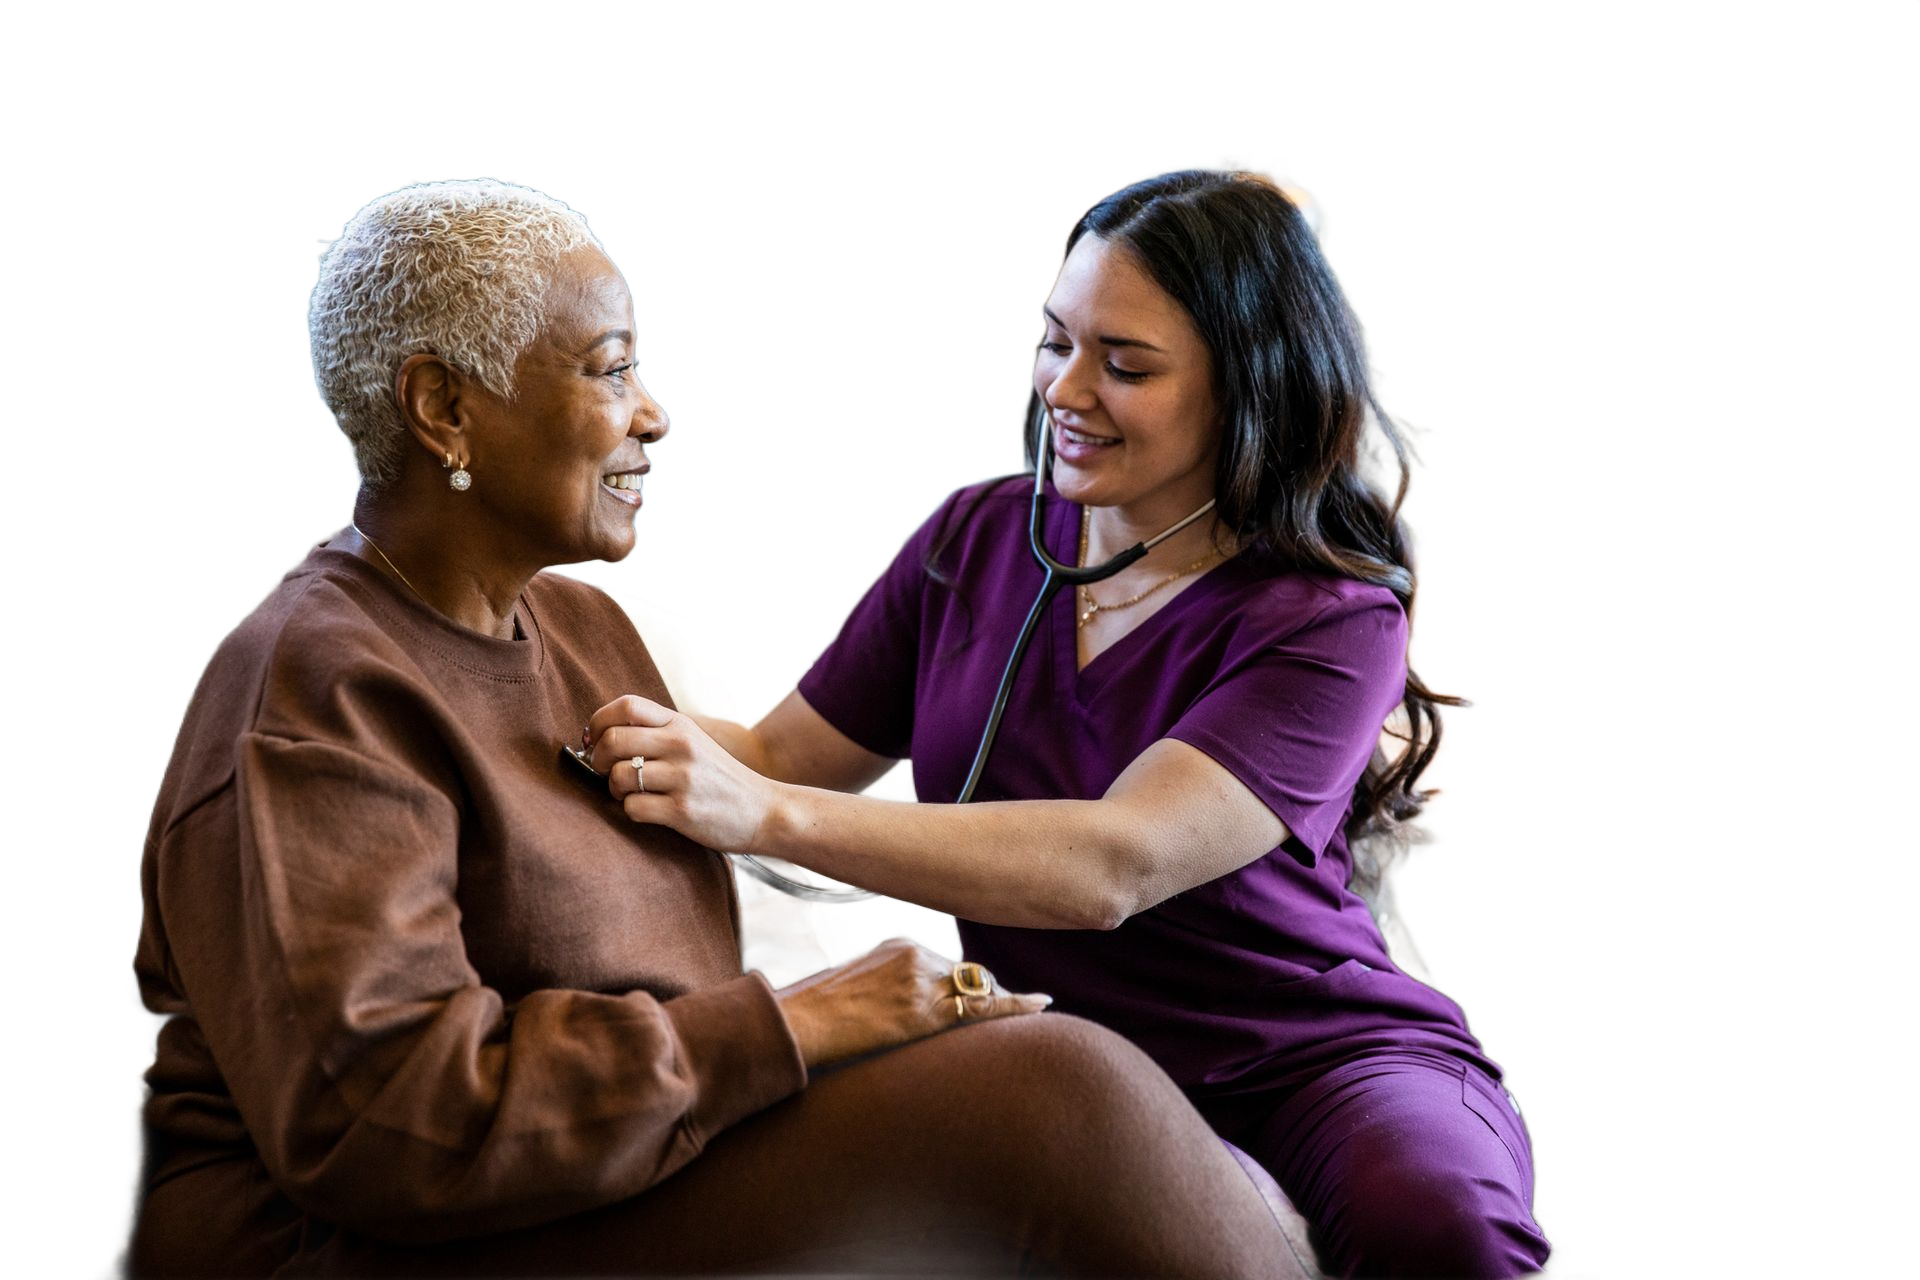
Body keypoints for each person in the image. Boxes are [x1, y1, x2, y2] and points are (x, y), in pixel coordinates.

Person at [127, 177, 1307, 1280]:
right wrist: (789, 1026)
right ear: (446, 408)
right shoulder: (312, 690)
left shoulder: (580, 627)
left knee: (1070, 1094)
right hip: (386, 1230)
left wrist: (861, 1002)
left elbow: (728, 910)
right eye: (608, 368)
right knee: (1061, 1106)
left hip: (644, 1142)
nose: (653, 413)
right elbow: (392, 1122)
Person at [583, 160, 1557, 1280]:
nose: (1066, 389)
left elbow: (1117, 861)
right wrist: (544, 630)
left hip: (1321, 1062)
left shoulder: (1330, 616)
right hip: (1076, 1057)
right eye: (1056, 341)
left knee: (1435, 1229)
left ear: (1250, 383)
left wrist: (766, 808)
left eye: (1125, 363)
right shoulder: (975, 538)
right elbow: (778, 754)